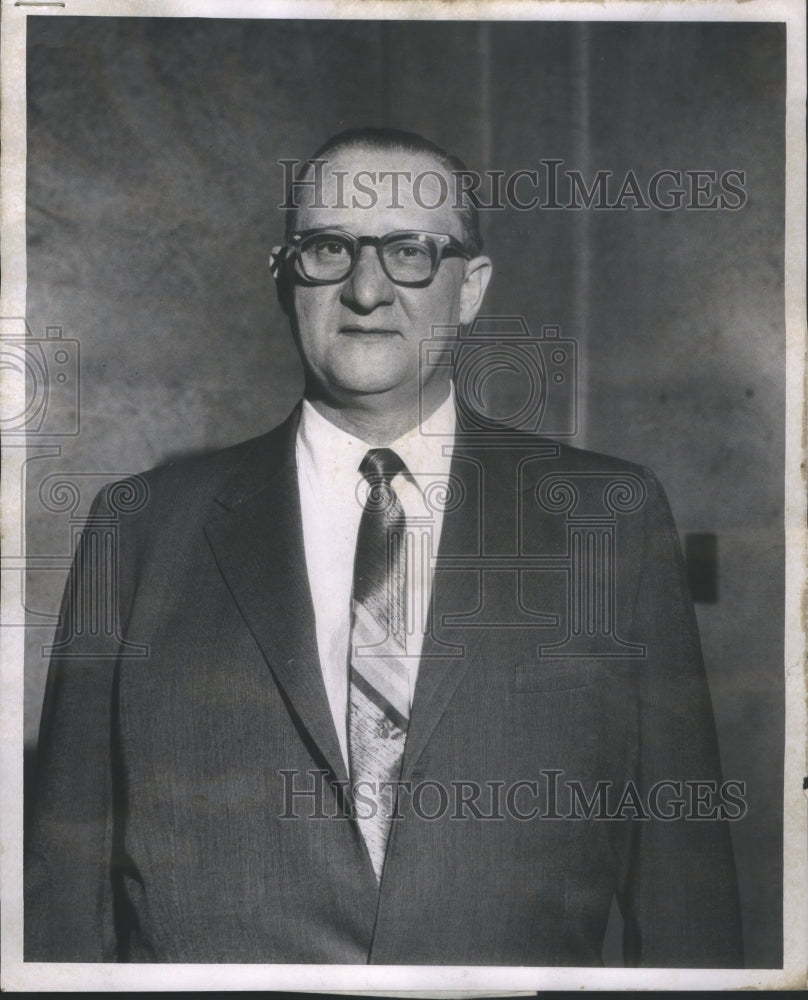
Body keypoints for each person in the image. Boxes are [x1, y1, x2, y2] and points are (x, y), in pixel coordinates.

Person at [25, 128, 744, 966]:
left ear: (470, 288)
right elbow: (63, 894)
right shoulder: (141, 529)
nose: (366, 289)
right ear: (284, 276)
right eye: (329, 248)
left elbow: (685, 898)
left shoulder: (608, 519)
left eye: (409, 252)